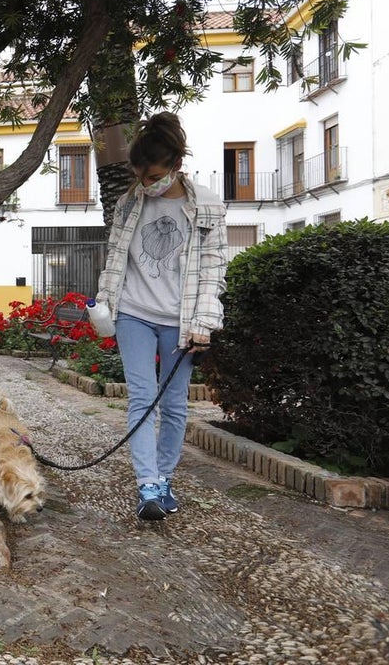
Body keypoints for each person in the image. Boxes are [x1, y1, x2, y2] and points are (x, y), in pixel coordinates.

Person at [96, 112, 229, 521]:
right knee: (141, 398)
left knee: (173, 404)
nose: (146, 183)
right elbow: (116, 259)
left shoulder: (206, 204)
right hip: (133, 313)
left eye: (153, 176)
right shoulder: (128, 202)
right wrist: (104, 305)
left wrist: (204, 323)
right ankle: (147, 485)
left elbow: (214, 266)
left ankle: (165, 477)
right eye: (139, 175)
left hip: (182, 320)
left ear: (176, 165)